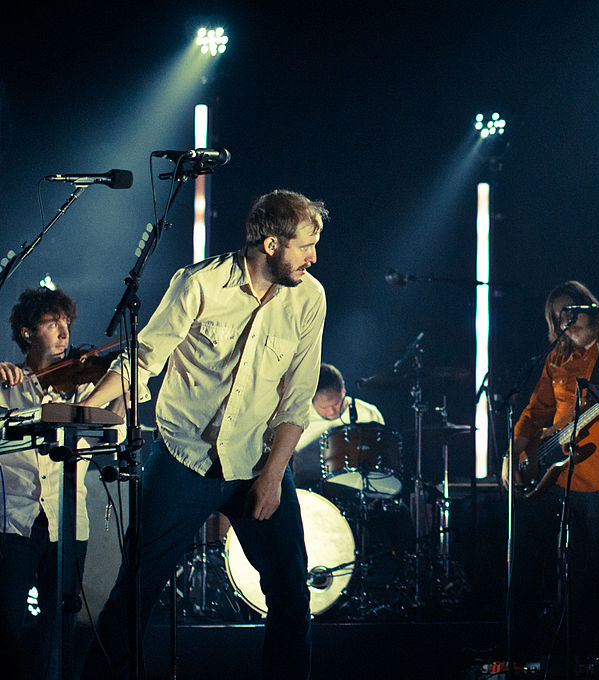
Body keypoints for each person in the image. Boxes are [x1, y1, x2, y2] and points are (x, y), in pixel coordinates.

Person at [79, 189, 328, 680]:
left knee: (291, 593)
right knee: (136, 591)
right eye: (305, 245)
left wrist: (274, 476)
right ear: (273, 244)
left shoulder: (310, 297)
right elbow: (144, 357)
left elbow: (298, 398)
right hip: (182, 458)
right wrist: (85, 409)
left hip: (258, 461)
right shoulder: (198, 283)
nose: (313, 257)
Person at [502, 280, 599, 662]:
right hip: (555, 470)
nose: (566, 322)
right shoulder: (557, 356)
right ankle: (525, 650)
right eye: (558, 318)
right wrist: (514, 452)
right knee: (528, 554)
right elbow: (536, 411)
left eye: (570, 312)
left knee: (598, 564)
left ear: (590, 308)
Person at [0, 287, 121, 680]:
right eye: (53, 324)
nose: (64, 332)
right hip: (13, 522)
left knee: (58, 631)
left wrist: (126, 383)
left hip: (68, 522)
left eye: (66, 323)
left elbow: (116, 432)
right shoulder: (6, 385)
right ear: (26, 333)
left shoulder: (86, 386)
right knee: (7, 624)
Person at [291, 362, 386, 490]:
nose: (332, 411)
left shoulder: (369, 414)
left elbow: (382, 457)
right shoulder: (297, 420)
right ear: (311, 398)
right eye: (324, 407)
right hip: (309, 492)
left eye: (336, 403)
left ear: (343, 388)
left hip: (359, 489)